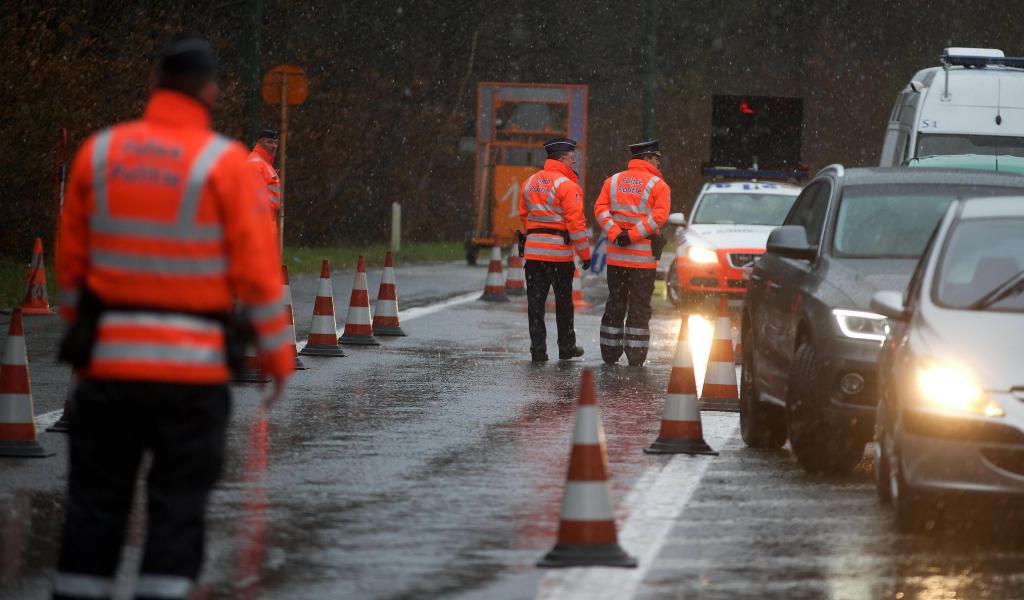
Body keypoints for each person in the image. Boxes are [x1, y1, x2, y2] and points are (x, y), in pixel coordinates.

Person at [53, 36, 294, 600]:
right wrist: (277, 356)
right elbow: (259, 275)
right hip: (192, 376)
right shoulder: (226, 165)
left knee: (94, 505)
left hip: (109, 371)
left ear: (155, 84)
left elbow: (70, 267)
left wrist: (88, 334)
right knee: (177, 507)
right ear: (209, 92)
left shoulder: (101, 152)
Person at [594, 140, 671, 366]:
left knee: (615, 302)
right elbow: (658, 217)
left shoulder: (613, 181)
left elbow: (600, 209)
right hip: (643, 260)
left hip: (617, 257)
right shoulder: (659, 185)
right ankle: (636, 357)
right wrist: (633, 235)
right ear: (647, 158)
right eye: (656, 159)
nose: (658, 163)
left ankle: (609, 352)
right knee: (639, 306)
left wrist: (616, 233)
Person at [518, 138, 592, 362]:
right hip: (559, 255)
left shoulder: (530, 182)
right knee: (563, 303)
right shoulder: (567, 186)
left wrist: (533, 237)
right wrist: (585, 254)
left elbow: (523, 216)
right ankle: (566, 347)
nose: (574, 161)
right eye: (571, 157)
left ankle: (538, 350)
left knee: (535, 304)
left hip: (533, 254)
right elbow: (576, 223)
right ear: (561, 158)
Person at [247, 128, 281, 228]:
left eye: (276, 143)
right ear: (260, 142)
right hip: (260, 226)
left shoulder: (264, 164)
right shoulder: (257, 165)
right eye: (270, 142)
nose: (274, 146)